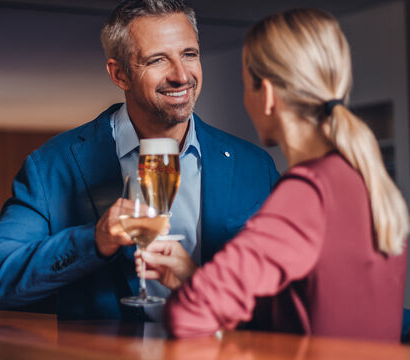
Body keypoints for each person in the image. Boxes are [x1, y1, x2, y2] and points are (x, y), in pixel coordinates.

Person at [0, 0, 279, 321]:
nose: (181, 75)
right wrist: (95, 239)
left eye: (189, 54)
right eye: (157, 59)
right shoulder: (53, 165)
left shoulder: (253, 166)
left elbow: (285, 290)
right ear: (120, 74)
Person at [136, 8, 409, 340]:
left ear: (265, 95)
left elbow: (188, 316)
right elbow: (309, 312)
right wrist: (193, 276)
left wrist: (197, 292)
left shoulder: (308, 191)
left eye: (244, 85)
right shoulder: (363, 179)